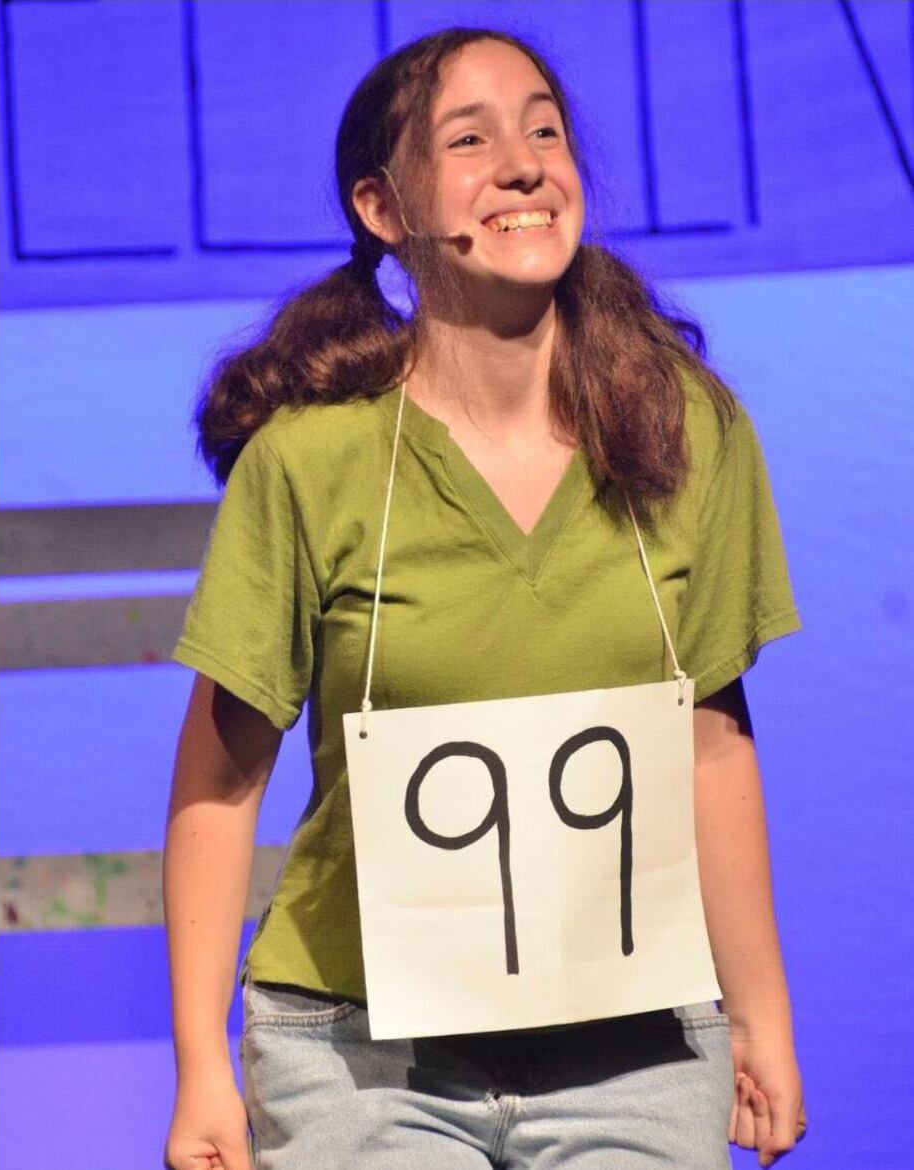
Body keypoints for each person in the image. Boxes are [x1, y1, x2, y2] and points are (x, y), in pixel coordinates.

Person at [162, 29, 805, 1170]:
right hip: (359, 1052)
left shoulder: (686, 430)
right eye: (470, 139)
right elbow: (220, 781)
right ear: (382, 206)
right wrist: (201, 1070)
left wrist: (758, 1016)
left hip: (636, 1046)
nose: (523, 164)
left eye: (544, 130)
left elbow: (712, 741)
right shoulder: (311, 462)